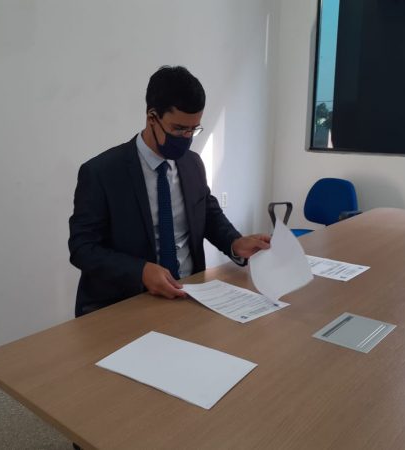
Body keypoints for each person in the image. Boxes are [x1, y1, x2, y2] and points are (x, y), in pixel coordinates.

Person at [68, 65, 270, 317]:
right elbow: (82, 248)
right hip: (128, 302)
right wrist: (140, 271)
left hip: (190, 293)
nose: (186, 137)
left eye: (193, 129)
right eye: (178, 129)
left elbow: (208, 214)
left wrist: (234, 242)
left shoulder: (192, 164)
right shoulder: (102, 172)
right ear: (152, 117)